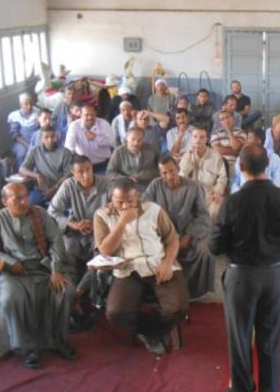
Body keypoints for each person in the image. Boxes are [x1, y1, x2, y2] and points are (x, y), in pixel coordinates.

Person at [210, 144, 280, 392]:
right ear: (268, 166)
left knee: (240, 337)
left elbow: (215, 246)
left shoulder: (233, 202)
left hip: (240, 277)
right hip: (273, 276)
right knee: (270, 338)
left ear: (240, 168)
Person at [0, 183, 76, 369]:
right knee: (11, 299)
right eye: (17, 199)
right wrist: (7, 260)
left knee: (64, 291)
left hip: (44, 268)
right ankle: (27, 347)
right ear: (5, 201)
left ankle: (58, 340)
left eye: (25, 196)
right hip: (14, 273)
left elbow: (56, 241)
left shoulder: (39, 214)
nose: (24, 202)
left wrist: (56, 270)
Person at [95, 178, 189, 355]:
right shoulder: (102, 215)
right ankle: (150, 332)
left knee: (179, 307)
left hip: (158, 262)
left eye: (129, 201)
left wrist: (168, 264)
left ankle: (155, 331)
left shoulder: (153, 210)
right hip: (128, 268)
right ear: (111, 198)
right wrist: (122, 222)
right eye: (119, 202)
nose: (124, 206)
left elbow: (172, 239)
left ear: (137, 196)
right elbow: (105, 250)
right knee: (115, 313)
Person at [144, 157, 215, 300]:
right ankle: (156, 292)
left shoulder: (194, 187)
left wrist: (188, 236)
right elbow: (144, 209)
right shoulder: (154, 186)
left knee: (206, 250)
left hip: (189, 233)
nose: (169, 176)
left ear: (177, 169)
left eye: (171, 171)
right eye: (164, 173)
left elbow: (203, 216)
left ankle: (194, 293)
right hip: (162, 235)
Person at [48, 155, 112, 301]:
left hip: (101, 232)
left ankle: (81, 293)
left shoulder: (107, 184)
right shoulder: (68, 185)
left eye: (88, 169)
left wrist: (98, 224)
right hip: (76, 232)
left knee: (101, 258)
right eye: (80, 172)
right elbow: (52, 211)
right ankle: (69, 292)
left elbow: (116, 209)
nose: (86, 175)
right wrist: (73, 224)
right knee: (67, 253)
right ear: (73, 173)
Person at [179, 127, 227, 221]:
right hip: (190, 194)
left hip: (209, 194)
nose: (198, 140)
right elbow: (182, 176)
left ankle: (209, 234)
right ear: (191, 138)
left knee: (216, 208)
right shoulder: (187, 155)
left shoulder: (216, 156)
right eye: (195, 137)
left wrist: (218, 192)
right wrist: (189, 157)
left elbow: (223, 177)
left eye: (201, 137)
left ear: (206, 139)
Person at [20, 126, 74, 206]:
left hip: (61, 188)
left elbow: (69, 174)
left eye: (52, 136)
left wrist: (55, 188)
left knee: (63, 206)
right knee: (29, 204)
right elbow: (22, 169)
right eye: (46, 137)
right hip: (41, 190)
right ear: (41, 138)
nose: (50, 140)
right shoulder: (35, 151)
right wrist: (37, 175)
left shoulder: (65, 152)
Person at [64, 103, 115, 172]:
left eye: (92, 114)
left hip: (103, 164)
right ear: (81, 116)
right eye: (86, 115)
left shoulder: (104, 124)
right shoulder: (74, 126)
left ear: (96, 114)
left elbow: (112, 142)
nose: (90, 117)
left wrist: (97, 138)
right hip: (83, 166)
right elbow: (69, 148)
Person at [107, 127, 161, 191]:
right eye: (133, 139)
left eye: (139, 140)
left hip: (150, 183)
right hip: (128, 185)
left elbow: (162, 163)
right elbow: (110, 172)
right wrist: (125, 178)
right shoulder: (118, 152)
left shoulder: (151, 149)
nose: (136, 143)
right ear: (127, 138)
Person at [231, 128, 280, 193]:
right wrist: (241, 194)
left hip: (267, 197)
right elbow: (234, 181)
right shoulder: (241, 158)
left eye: (252, 138)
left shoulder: (275, 159)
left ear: (261, 141)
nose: (249, 142)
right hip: (243, 196)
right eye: (248, 138)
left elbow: (277, 186)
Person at [7, 92, 40, 167]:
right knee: (22, 153)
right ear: (21, 105)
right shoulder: (15, 116)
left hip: (36, 140)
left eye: (31, 103)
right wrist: (28, 145)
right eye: (26, 104)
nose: (29, 106)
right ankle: (20, 173)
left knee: (39, 153)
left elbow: (42, 129)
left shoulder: (38, 112)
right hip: (22, 142)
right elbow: (15, 135)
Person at [211, 111, 247, 176]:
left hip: (236, 163)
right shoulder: (215, 133)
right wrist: (236, 152)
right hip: (219, 163)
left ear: (232, 118)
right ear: (220, 123)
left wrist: (229, 131)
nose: (226, 120)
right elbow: (217, 150)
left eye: (228, 117)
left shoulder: (241, 132)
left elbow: (236, 147)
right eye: (223, 119)